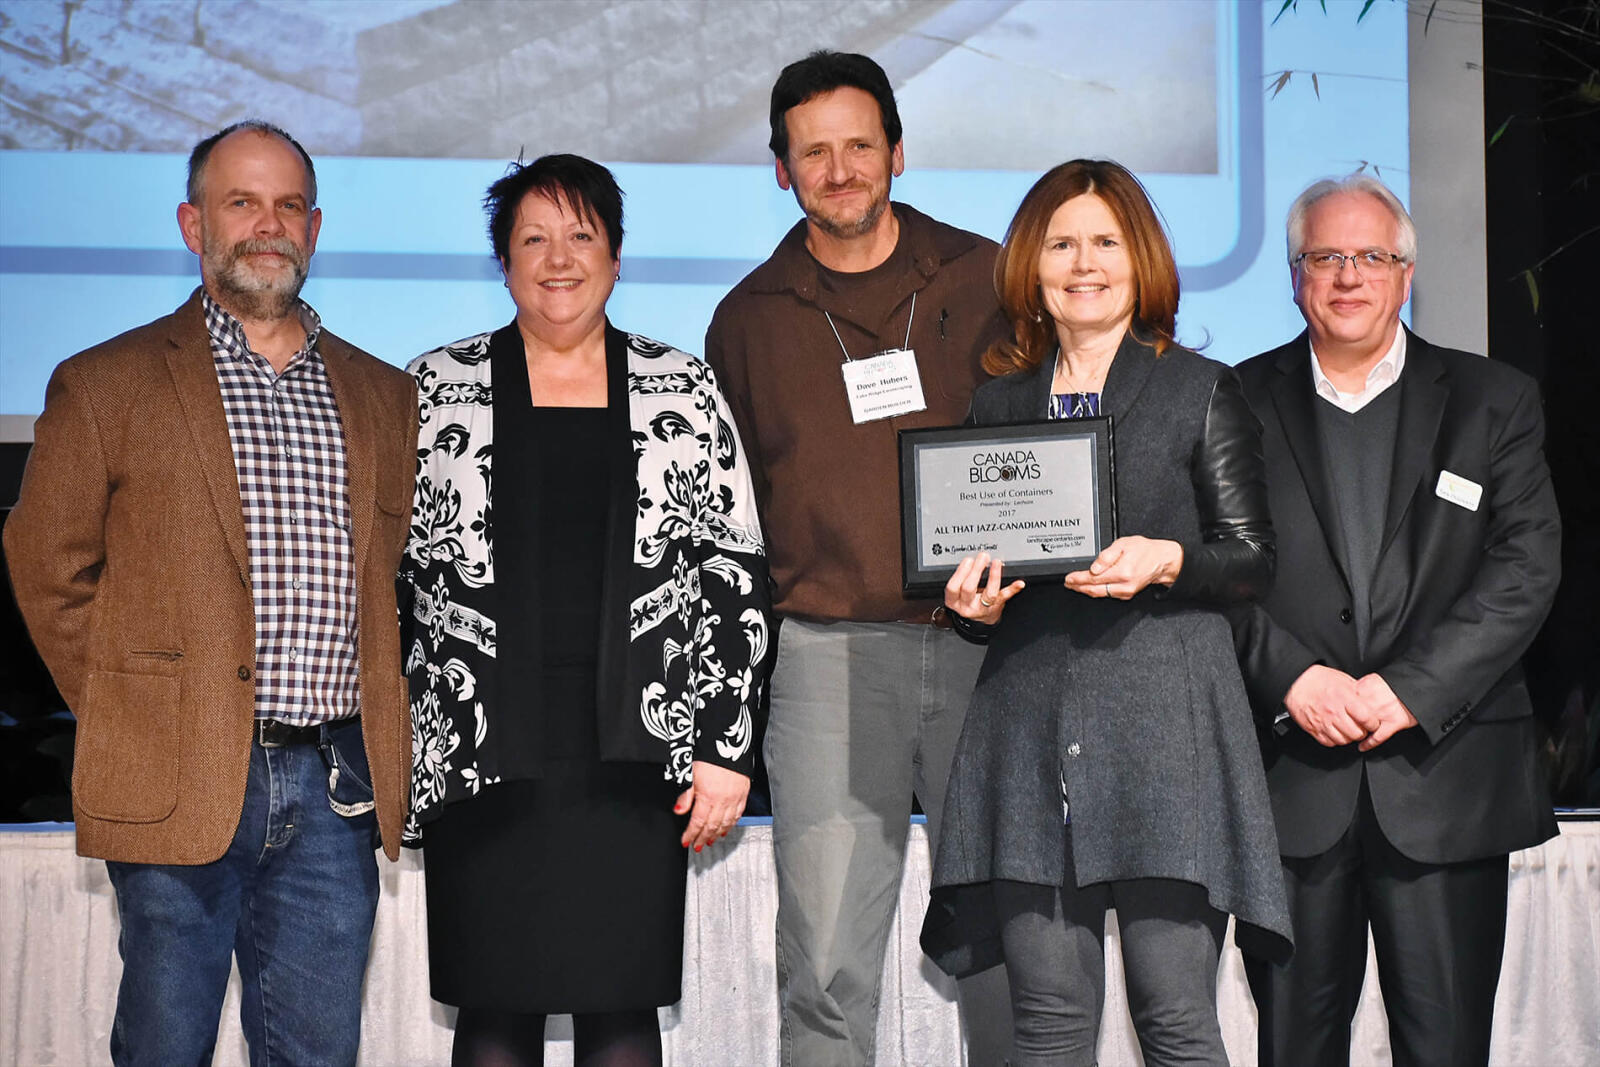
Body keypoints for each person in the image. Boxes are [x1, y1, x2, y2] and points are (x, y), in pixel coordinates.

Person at [3, 120, 418, 1066]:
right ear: (194, 224)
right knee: (164, 1046)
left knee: (318, 1054)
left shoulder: (385, 397)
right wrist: (132, 710)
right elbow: (47, 564)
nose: (266, 225)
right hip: (176, 775)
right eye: (241, 202)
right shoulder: (106, 383)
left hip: (334, 792)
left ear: (314, 228)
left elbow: (389, 587)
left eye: (288, 205)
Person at [920, 159, 1293, 1066]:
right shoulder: (998, 404)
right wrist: (970, 607)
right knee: (1045, 1023)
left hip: (1166, 728)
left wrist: (1169, 559)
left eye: (1104, 242)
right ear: (1030, 266)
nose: (1082, 263)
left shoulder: (1199, 387)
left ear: (1141, 261)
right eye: (1060, 243)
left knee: (1175, 1017)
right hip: (1026, 733)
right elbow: (981, 571)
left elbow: (1252, 557)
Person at [402, 153, 770, 1067]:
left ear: (614, 255)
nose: (557, 257)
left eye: (581, 235)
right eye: (533, 237)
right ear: (503, 259)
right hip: (480, 748)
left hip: (637, 753)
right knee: (494, 1012)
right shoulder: (428, 388)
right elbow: (390, 583)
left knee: (620, 1011)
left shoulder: (681, 386)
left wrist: (726, 749)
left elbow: (735, 573)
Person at [704, 50, 1014, 1066]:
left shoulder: (990, 279)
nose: (839, 170)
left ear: (897, 152)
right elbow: (732, 524)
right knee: (827, 967)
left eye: (859, 146)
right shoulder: (746, 323)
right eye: (813, 152)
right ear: (780, 169)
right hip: (829, 661)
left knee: (1013, 952)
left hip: (994, 656)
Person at [1232, 175, 1561, 1067]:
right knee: (1293, 1049)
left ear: (1405, 274)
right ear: (1295, 276)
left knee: (1448, 1048)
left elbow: (1526, 571)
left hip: (1446, 780)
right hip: (1292, 781)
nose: (1348, 277)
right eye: (1325, 257)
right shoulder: (1233, 403)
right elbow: (1217, 577)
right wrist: (1292, 677)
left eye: (1370, 256)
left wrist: (1411, 690)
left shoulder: (1495, 400)